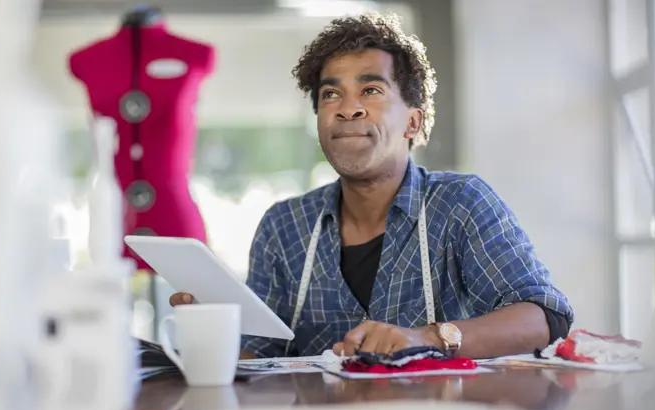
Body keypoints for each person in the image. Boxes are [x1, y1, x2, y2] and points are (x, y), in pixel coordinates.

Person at [170, 13, 573, 359]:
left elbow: (544, 316)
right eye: (331, 94)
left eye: (371, 90)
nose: (348, 108)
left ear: (412, 122)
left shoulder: (460, 204)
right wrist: (212, 327)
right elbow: (259, 358)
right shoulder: (284, 227)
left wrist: (426, 338)